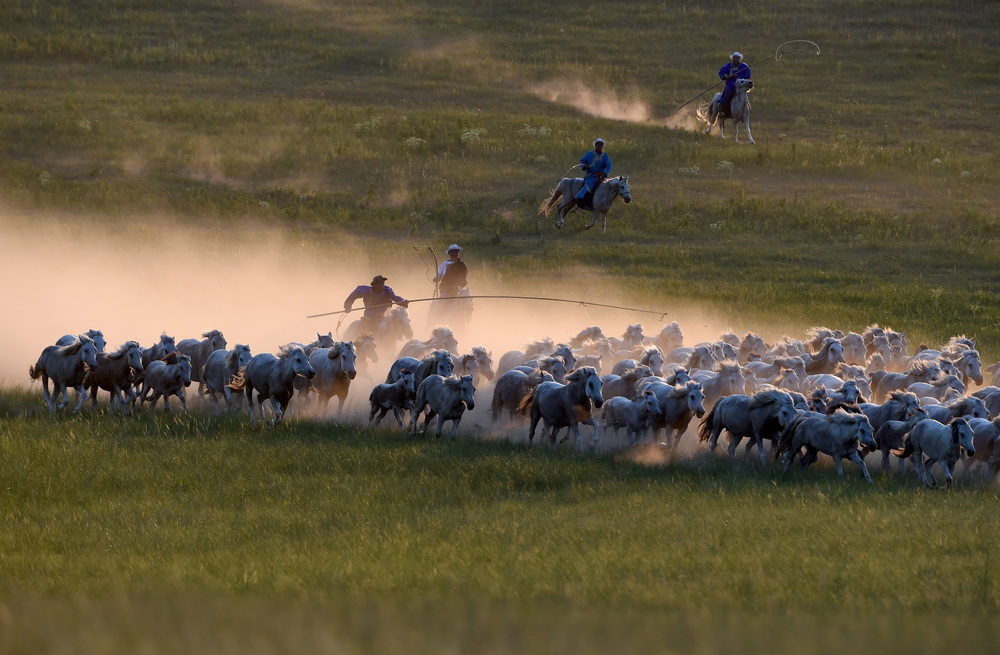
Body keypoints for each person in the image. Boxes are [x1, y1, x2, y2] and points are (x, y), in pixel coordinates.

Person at [344, 275, 409, 333]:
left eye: (383, 283)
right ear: (375, 284)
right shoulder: (365, 290)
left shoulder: (387, 290)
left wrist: (402, 301)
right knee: (363, 330)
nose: (382, 285)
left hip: (384, 315)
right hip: (369, 316)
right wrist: (348, 306)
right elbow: (353, 296)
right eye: (380, 283)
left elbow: (395, 297)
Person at [575, 138, 612, 209]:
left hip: (601, 176)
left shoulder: (605, 155)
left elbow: (608, 165)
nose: (599, 146)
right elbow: (582, 160)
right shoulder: (589, 154)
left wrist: (605, 173)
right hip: (591, 176)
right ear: (595, 145)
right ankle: (582, 200)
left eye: (601, 144)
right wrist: (584, 166)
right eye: (598, 144)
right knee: (589, 186)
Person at [717, 52, 751, 116]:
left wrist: (739, 76)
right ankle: (722, 110)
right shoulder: (728, 66)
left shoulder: (744, 66)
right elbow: (721, 72)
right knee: (727, 96)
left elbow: (748, 75)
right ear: (732, 59)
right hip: (730, 85)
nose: (735, 59)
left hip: (740, 86)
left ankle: (745, 112)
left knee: (745, 98)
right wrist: (725, 77)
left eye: (737, 58)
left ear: (739, 59)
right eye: (734, 58)